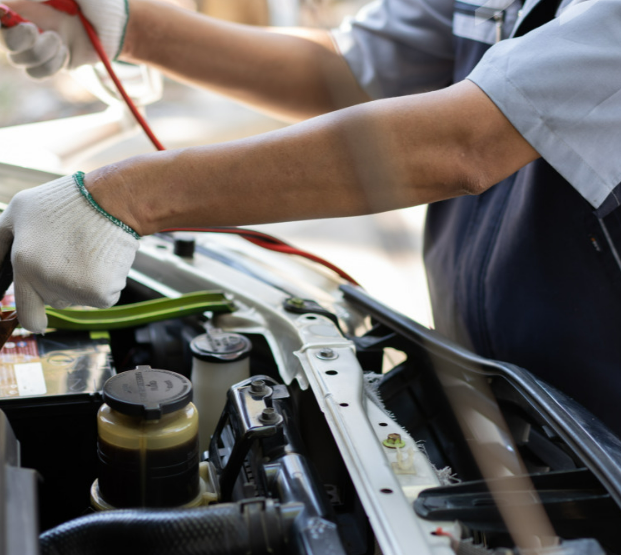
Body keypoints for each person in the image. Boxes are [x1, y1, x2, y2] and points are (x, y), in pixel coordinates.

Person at [0, 0, 620, 434]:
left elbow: (466, 142)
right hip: (490, 388)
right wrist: (132, 25)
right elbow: (349, 72)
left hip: (602, 424)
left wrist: (124, 196)